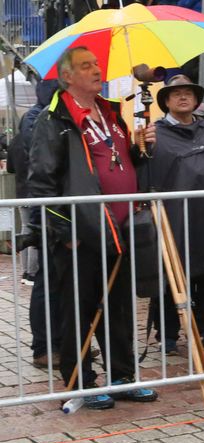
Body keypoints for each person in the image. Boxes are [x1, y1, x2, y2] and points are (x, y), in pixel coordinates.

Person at [27, 47, 159, 409]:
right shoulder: (53, 120)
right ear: (67, 76)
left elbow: (118, 164)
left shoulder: (112, 112)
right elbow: (41, 183)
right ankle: (79, 381)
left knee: (118, 307)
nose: (96, 70)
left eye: (97, 64)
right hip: (81, 233)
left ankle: (122, 377)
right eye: (86, 66)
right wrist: (62, 233)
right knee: (79, 309)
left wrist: (140, 149)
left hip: (121, 228)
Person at [142, 75, 204, 354]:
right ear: (166, 101)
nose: (183, 97)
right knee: (171, 274)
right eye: (176, 93)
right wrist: (142, 147)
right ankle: (167, 332)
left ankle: (202, 328)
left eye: (188, 93)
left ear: (196, 100)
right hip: (173, 216)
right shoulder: (155, 132)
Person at [6, 79, 60, 368]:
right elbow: (41, 164)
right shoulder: (38, 117)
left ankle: (64, 342)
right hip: (45, 207)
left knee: (61, 282)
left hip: (57, 207)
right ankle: (44, 347)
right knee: (46, 279)